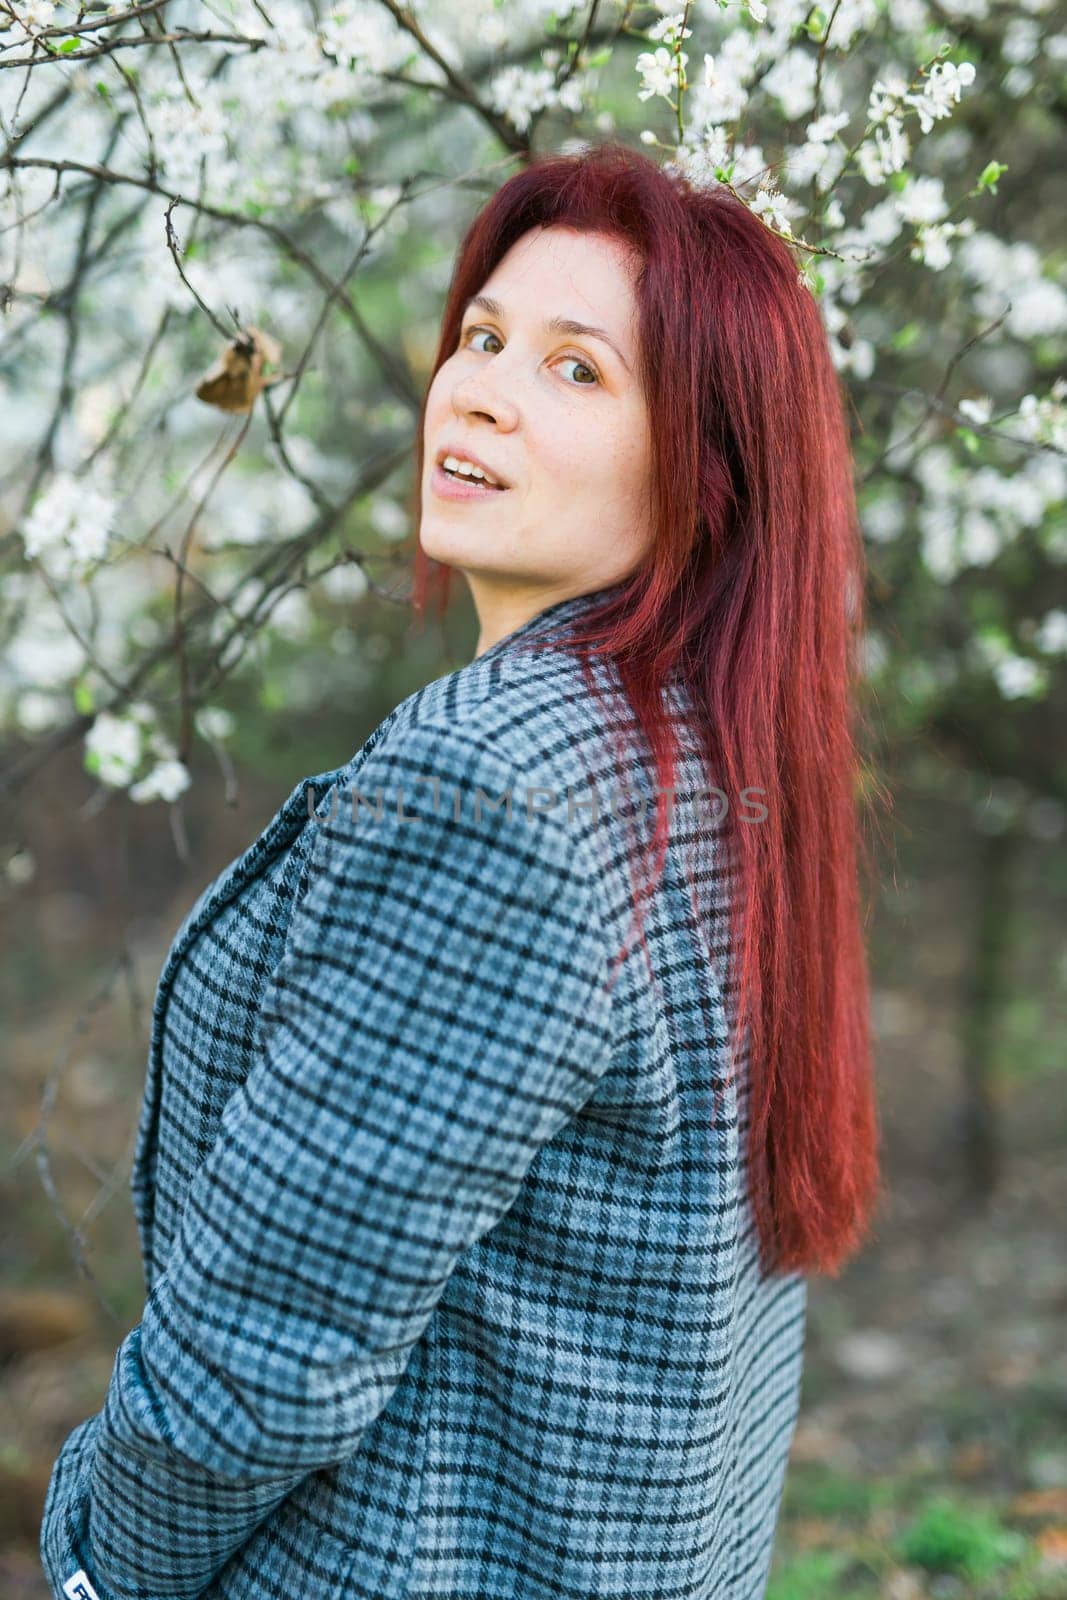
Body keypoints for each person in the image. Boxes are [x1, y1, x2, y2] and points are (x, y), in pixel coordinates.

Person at [40, 141, 884, 1600]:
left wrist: (105, 1565)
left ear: (708, 465)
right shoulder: (717, 762)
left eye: (577, 370)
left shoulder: (491, 787)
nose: (481, 387)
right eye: (484, 337)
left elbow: (268, 1342)